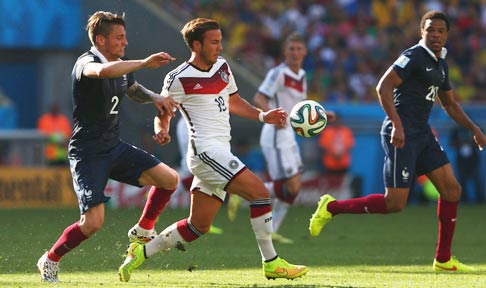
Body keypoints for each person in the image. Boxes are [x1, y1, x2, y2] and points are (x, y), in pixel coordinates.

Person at [119, 18, 308, 282]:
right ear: (197, 45)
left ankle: (140, 253)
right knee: (260, 194)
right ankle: (272, 262)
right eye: (215, 42)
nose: (220, 47)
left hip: (221, 150)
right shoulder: (178, 78)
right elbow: (163, 111)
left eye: (220, 41)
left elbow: (235, 102)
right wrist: (161, 129)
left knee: (198, 226)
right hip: (205, 153)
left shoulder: (222, 67)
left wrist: (263, 116)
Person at [309, 10, 486, 272]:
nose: (435, 35)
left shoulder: (440, 65)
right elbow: (383, 86)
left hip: (422, 133)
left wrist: (474, 128)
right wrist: (398, 125)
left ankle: (443, 259)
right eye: (430, 30)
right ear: (421, 31)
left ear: (447, 34)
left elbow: (449, 103)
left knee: (452, 190)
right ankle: (331, 207)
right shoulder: (413, 56)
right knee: (394, 204)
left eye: (440, 31)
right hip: (400, 133)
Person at [36, 11, 180, 282]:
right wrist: (144, 63)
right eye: (119, 38)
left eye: (125, 37)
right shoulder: (86, 63)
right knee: (93, 223)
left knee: (169, 179)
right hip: (88, 152)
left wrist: (155, 98)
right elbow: (102, 72)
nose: (125, 42)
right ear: (100, 40)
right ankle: (50, 259)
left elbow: (132, 89)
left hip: (113, 146)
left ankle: (142, 230)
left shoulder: (120, 64)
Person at [227, 33, 334, 244]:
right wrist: (273, 115)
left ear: (305, 52)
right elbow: (259, 97)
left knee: (292, 189)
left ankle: (270, 230)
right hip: (275, 134)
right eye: (291, 49)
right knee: (290, 187)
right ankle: (241, 192)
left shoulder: (302, 75)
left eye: (298, 49)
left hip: (290, 135)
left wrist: (322, 114)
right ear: (285, 52)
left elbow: (299, 107)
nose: (295, 53)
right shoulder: (279, 73)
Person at [173, 116, 223, 234]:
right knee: (198, 170)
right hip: (191, 124)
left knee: (197, 172)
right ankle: (162, 192)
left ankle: (200, 221)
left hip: (194, 124)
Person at [318, 113, 355, 195]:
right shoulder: (327, 131)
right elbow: (323, 146)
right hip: (330, 163)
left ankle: (341, 199)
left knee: (342, 184)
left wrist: (340, 154)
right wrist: (334, 154)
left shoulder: (346, 131)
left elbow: (349, 145)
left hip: (343, 163)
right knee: (330, 185)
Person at [449, 124, 484, 203]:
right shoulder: (456, 130)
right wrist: (461, 142)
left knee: (477, 180)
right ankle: (465, 200)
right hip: (461, 161)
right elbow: (451, 143)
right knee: (462, 181)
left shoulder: (475, 129)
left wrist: (470, 142)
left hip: (473, 160)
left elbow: (481, 141)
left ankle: (480, 200)